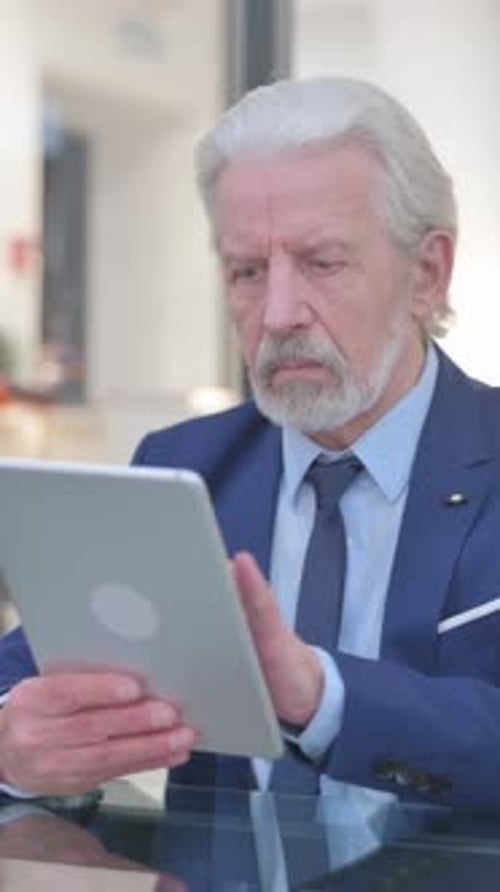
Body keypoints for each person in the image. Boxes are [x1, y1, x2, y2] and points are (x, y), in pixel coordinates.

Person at [0, 76, 500, 818]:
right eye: (247, 271)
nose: (278, 314)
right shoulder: (186, 467)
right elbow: (29, 674)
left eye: (322, 263)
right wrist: (15, 747)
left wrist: (324, 698)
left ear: (427, 274)